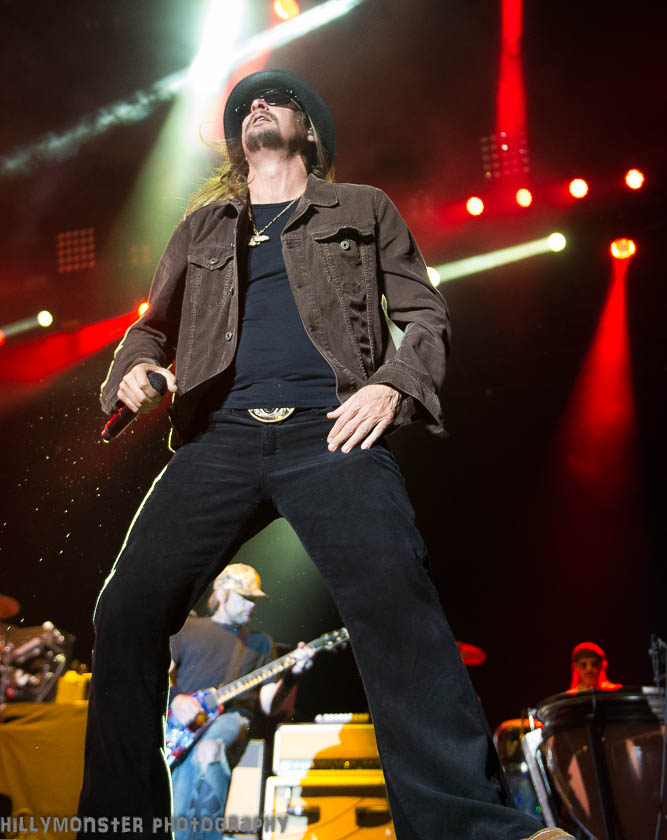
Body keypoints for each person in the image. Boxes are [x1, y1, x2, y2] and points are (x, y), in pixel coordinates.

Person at [78, 68, 572, 840]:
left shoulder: (362, 208)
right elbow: (150, 329)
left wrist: (392, 386)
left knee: (395, 601)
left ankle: (472, 828)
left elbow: (425, 316)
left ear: (308, 129)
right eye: (245, 103)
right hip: (219, 438)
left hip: (331, 429)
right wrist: (135, 371)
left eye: (276, 99)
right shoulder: (202, 228)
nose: (256, 105)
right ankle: (118, 827)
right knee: (125, 608)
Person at [168, 563, 312, 840]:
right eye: (245, 597)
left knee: (210, 749)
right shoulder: (187, 629)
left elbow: (269, 705)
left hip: (232, 718)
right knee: (178, 788)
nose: (252, 605)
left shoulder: (260, 643)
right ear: (222, 593)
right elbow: (161, 677)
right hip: (183, 727)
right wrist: (176, 700)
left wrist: (292, 676)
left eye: (255, 600)